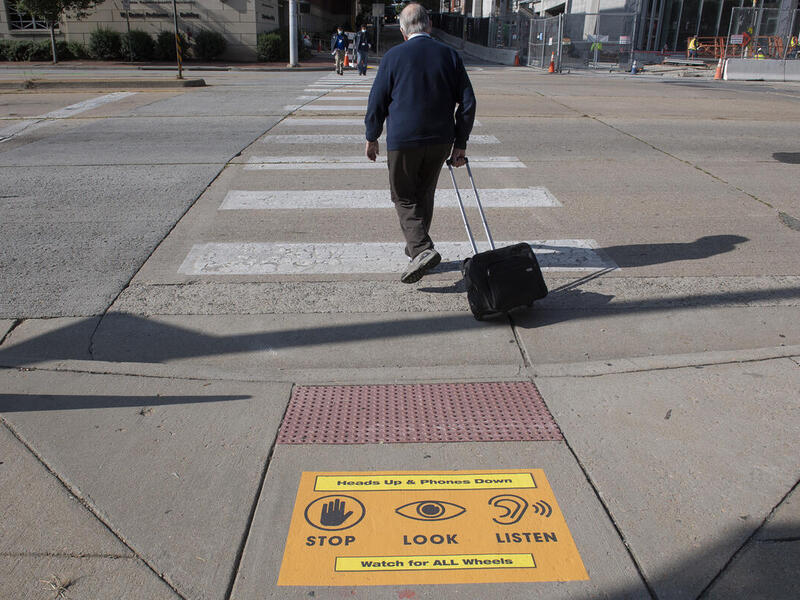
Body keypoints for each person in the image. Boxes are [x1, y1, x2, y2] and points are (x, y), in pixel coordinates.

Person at [364, 3, 476, 284]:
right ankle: (417, 245)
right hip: (440, 138)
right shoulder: (449, 55)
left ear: (403, 31)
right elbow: (468, 102)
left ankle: (421, 248)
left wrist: (372, 135)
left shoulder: (393, 56)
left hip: (404, 138)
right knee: (424, 192)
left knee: (402, 195)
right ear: (428, 25)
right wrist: (460, 142)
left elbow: (377, 100)